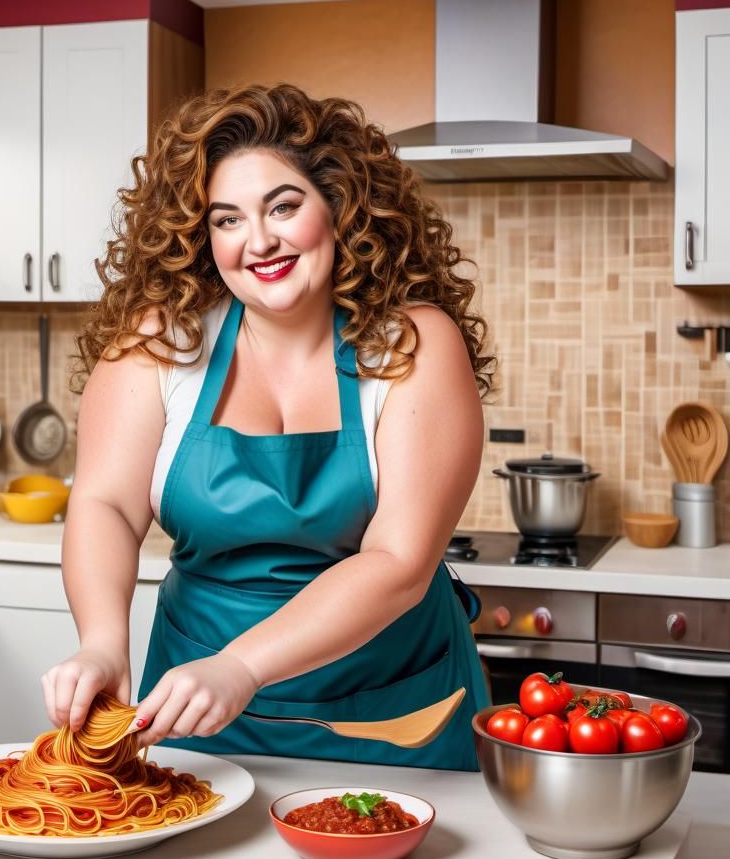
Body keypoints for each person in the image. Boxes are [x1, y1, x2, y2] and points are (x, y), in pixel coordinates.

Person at [43, 83, 495, 770]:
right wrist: (103, 642)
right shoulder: (159, 346)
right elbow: (105, 502)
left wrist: (244, 666)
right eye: (226, 220)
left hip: (390, 715)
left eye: (283, 207)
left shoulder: (411, 346)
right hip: (194, 711)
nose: (258, 241)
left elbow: (399, 563)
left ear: (341, 210)